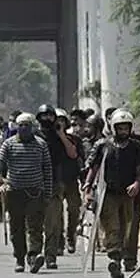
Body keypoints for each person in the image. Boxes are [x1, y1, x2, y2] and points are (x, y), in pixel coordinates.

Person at [83, 110, 140, 278]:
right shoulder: (103, 145)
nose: (123, 132)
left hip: (127, 194)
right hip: (108, 193)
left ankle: (121, 256)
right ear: (113, 128)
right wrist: (88, 188)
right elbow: (93, 168)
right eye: (120, 128)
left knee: (126, 228)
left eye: (126, 128)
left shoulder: (137, 147)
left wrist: (137, 184)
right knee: (113, 227)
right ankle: (115, 260)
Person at [0, 113, 53, 273]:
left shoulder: (41, 145)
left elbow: (47, 170)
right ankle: (20, 258)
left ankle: (34, 256)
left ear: (32, 127)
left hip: (35, 192)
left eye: (27, 125)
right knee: (17, 226)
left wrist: (48, 194)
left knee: (35, 227)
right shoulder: (9, 144)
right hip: (14, 192)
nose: (24, 128)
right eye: (21, 125)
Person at [35, 104, 80, 269]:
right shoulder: (34, 136)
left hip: (55, 183)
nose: (47, 119)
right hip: (35, 184)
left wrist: (61, 134)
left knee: (53, 223)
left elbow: (72, 153)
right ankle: (34, 253)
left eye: (50, 116)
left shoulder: (60, 138)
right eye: (44, 116)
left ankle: (51, 256)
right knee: (34, 222)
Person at [55, 108, 86, 254]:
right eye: (57, 121)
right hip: (55, 180)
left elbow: (75, 156)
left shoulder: (74, 139)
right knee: (56, 212)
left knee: (74, 209)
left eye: (62, 121)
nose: (59, 124)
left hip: (71, 180)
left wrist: (62, 136)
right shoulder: (47, 140)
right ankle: (59, 241)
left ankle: (70, 237)